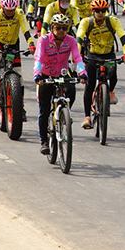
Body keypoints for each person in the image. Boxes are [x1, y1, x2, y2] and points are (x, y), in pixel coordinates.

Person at [33, 14, 88, 155]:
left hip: (63, 74)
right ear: (52, 28)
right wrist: (37, 74)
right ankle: (44, 141)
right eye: (58, 28)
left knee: (72, 90)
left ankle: (64, 115)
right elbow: (38, 58)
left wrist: (82, 72)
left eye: (64, 28)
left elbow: (77, 57)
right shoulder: (43, 40)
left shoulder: (71, 40)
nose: (61, 31)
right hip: (45, 76)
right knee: (44, 110)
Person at [76, 0, 125, 128]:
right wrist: (78, 57)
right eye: (97, 11)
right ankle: (87, 117)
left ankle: (110, 92)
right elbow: (79, 38)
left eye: (103, 10)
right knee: (89, 86)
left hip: (108, 54)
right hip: (92, 55)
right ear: (93, 11)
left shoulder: (112, 21)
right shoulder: (86, 22)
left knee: (113, 76)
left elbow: (122, 35)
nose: (101, 13)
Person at [0, 0, 36, 118]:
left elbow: (26, 30)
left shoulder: (19, 13)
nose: (10, 13)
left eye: (12, 10)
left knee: (19, 77)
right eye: (7, 10)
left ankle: (20, 106)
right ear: (2, 7)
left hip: (13, 43)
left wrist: (31, 44)